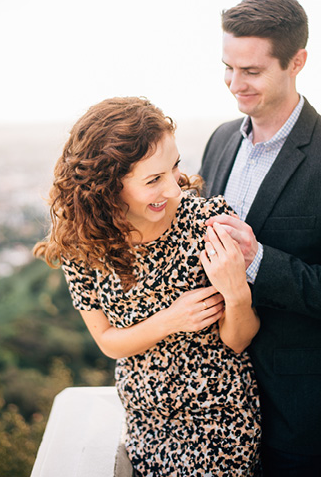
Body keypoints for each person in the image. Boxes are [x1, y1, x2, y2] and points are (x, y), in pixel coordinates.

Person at [35, 97, 262, 476]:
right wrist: (171, 319)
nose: (173, 189)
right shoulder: (83, 249)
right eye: (153, 179)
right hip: (146, 426)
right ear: (108, 187)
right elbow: (108, 342)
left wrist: (237, 293)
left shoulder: (208, 224)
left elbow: (239, 340)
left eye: (174, 169)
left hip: (222, 421)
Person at [199, 0, 321, 476]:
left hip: (303, 411)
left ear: (297, 61)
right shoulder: (221, 140)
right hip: (217, 405)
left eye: (251, 71)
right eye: (227, 66)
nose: (233, 84)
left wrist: (260, 261)